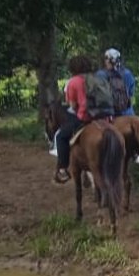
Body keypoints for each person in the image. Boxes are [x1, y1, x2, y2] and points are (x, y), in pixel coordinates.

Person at [53, 54, 99, 184]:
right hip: (101, 115)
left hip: (84, 117)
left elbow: (73, 106)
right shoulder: (96, 79)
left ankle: (62, 169)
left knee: (60, 136)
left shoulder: (73, 81)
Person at [98, 48, 136, 117]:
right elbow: (131, 93)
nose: (105, 61)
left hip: (109, 114)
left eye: (106, 58)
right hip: (128, 112)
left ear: (109, 60)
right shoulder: (128, 73)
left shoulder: (101, 74)